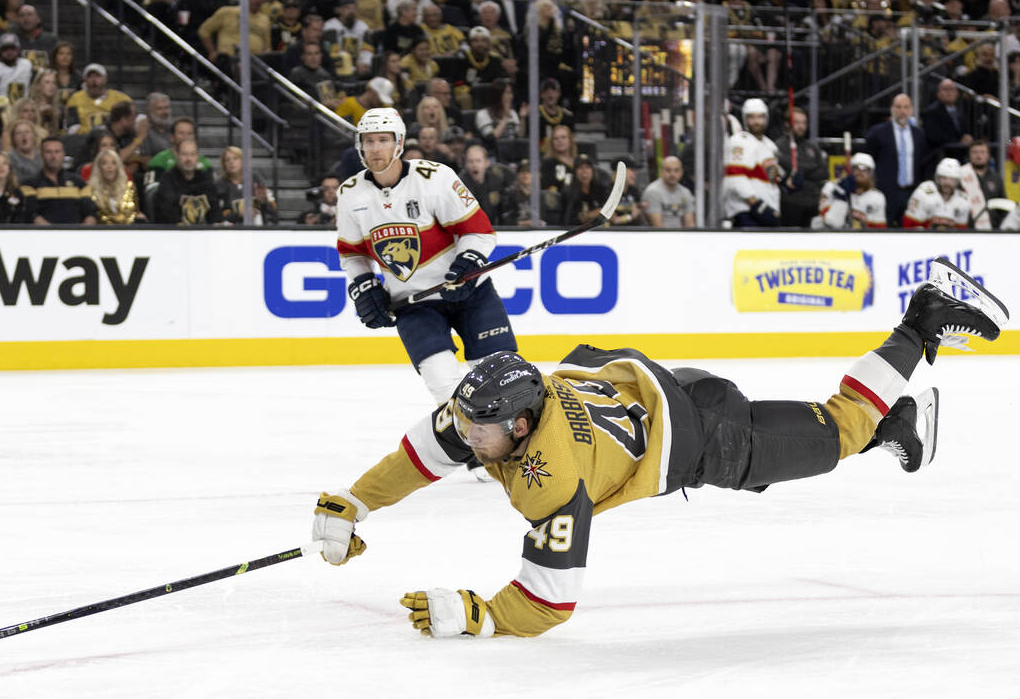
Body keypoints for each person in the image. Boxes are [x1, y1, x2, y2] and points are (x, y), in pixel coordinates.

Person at [310, 257, 1008, 638]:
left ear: (521, 428)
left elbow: (550, 602)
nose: (466, 438)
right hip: (673, 390)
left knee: (837, 430)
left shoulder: (549, 478)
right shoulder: (488, 408)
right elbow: (422, 454)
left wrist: (479, 616)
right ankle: (895, 420)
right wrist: (353, 503)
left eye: (479, 433)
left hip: (711, 440)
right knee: (826, 439)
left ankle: (920, 324)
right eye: (465, 425)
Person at [336, 106, 518, 406]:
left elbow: (479, 231)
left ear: (399, 142)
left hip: (470, 293)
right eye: (368, 141)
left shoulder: (435, 178)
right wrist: (364, 285)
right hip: (414, 303)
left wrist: (468, 261)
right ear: (359, 145)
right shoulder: (350, 193)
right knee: (445, 388)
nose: (375, 148)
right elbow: (352, 254)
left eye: (383, 139)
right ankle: (472, 450)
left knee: (503, 379)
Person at [862, 93, 934, 225]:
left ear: (911, 110)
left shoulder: (919, 134)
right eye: (898, 107)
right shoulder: (877, 133)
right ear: (892, 109)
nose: (902, 111)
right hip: (885, 193)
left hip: (912, 194)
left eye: (906, 107)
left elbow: (924, 163)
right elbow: (869, 160)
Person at [722, 98, 780, 227]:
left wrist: (787, 182)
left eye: (760, 117)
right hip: (747, 213)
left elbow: (771, 179)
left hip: (768, 211)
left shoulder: (770, 145)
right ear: (745, 119)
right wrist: (757, 205)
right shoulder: (739, 142)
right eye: (752, 117)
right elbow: (735, 178)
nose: (756, 122)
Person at [22, 137, 98, 224]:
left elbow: (91, 213)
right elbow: (31, 214)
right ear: (41, 155)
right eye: (49, 152)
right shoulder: (29, 184)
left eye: (57, 152)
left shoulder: (79, 182)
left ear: (63, 154)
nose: (53, 156)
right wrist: (53, 233)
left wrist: (83, 232)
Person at [774, 107, 827, 228]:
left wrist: (799, 167)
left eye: (804, 123)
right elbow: (784, 165)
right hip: (790, 204)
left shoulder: (812, 147)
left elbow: (823, 172)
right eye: (797, 122)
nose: (801, 126)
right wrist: (810, 168)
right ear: (787, 123)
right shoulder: (779, 145)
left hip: (813, 204)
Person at [152, 137, 221, 225]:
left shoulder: (205, 178)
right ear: (176, 155)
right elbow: (167, 210)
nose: (189, 159)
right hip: (173, 232)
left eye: (192, 154)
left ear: (197, 156)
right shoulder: (167, 178)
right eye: (184, 154)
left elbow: (214, 210)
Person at [816, 152, 888, 229]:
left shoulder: (877, 197)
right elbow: (832, 223)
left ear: (871, 175)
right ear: (850, 171)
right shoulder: (831, 187)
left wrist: (863, 220)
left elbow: (879, 231)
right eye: (857, 168)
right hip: (828, 237)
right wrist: (840, 198)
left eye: (865, 169)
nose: (860, 172)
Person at [902, 157, 971, 229]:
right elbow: (909, 225)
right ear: (937, 178)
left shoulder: (963, 199)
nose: (947, 183)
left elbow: (962, 232)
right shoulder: (923, 193)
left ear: (957, 181)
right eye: (944, 178)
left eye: (951, 179)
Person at [65, 63, 132, 133]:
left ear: (105, 79)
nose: (94, 80)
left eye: (98, 76)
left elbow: (135, 119)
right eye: (90, 76)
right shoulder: (75, 98)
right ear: (85, 80)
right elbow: (72, 127)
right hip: (85, 140)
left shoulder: (120, 98)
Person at [920, 78, 972, 160]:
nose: (949, 92)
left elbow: (964, 131)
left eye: (952, 89)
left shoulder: (960, 111)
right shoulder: (930, 112)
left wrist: (967, 137)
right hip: (939, 157)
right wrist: (958, 142)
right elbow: (934, 136)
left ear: (957, 93)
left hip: (959, 158)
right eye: (945, 89)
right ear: (938, 93)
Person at [89, 148, 142, 224]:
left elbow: (136, 212)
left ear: (118, 167)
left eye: (113, 163)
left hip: (129, 230)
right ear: (99, 167)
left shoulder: (129, 187)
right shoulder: (91, 189)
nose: (109, 166)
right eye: (104, 163)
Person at [642, 155, 695, 228]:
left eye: (676, 170)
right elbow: (658, 227)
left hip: (681, 237)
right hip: (657, 237)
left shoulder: (685, 192)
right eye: (668, 170)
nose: (672, 174)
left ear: (681, 172)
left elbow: (690, 224)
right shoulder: (652, 192)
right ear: (661, 172)